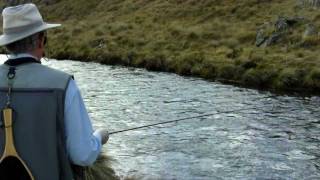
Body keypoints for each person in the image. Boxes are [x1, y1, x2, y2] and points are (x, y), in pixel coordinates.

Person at [0, 3, 109, 180]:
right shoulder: (63, 85)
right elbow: (82, 154)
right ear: (41, 39)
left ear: (8, 44)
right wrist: (99, 137)